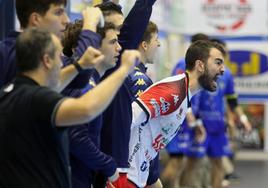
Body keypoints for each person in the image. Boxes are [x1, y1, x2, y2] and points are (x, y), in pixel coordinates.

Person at [0, 27, 140, 188]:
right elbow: (87, 109)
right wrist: (123, 70)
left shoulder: (10, 92)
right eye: (58, 56)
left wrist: (79, 66)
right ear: (47, 61)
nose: (62, 62)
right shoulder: (38, 99)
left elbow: (56, 83)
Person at [128, 40, 226, 187]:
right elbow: (126, 119)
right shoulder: (173, 91)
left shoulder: (185, 95)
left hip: (139, 173)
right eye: (218, 62)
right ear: (200, 65)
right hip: (127, 174)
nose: (223, 69)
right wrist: (113, 169)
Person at [91, 1, 159, 187]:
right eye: (115, 37)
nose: (120, 44)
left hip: (119, 167)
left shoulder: (117, 74)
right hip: (105, 170)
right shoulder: (90, 78)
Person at [181, 38, 252, 188]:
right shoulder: (201, 74)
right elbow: (193, 99)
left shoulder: (227, 75)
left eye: (223, 62)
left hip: (217, 126)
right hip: (200, 124)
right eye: (218, 62)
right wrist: (194, 120)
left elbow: (232, 100)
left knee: (218, 162)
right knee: (192, 163)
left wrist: (243, 119)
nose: (222, 68)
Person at [61, 21, 123, 188]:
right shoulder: (85, 86)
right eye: (112, 42)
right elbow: (76, 137)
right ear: (93, 47)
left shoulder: (89, 81)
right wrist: (108, 165)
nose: (119, 48)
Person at [0, 0, 103, 91]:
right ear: (36, 19)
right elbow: (80, 74)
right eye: (58, 12)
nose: (66, 20)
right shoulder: (30, 53)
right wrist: (90, 25)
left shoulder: (5, 49)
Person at [161, 33, 209, 188]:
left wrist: (196, 122)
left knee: (181, 163)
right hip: (178, 121)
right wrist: (193, 122)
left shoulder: (202, 69)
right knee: (175, 162)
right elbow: (181, 93)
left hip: (187, 123)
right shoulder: (182, 65)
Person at [128, 21, 161, 187]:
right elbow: (141, 131)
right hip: (133, 169)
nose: (159, 44)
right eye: (156, 39)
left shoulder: (131, 73)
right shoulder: (139, 80)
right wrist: (152, 175)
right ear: (145, 45)